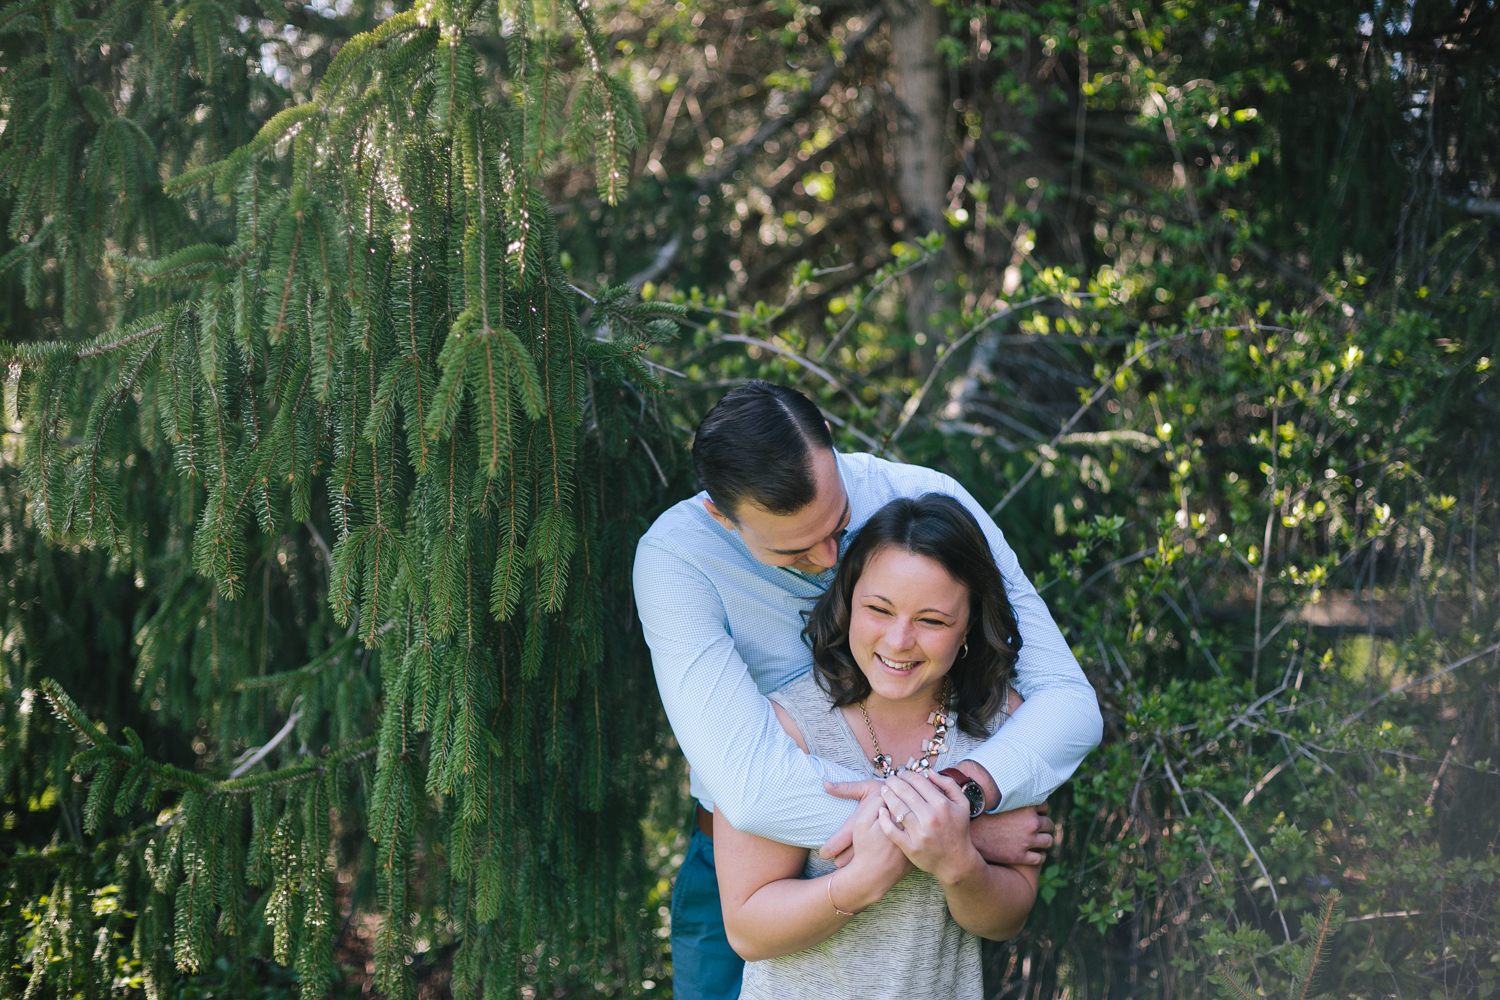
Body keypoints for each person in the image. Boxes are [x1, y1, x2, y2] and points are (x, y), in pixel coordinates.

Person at [632, 382, 1102, 999]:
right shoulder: (676, 558)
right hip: (757, 871)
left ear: (827, 437)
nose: (830, 559)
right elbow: (748, 789)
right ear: (722, 514)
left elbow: (1068, 704)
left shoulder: (923, 499)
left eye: (842, 526)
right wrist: (958, 835)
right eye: (796, 551)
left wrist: (961, 797)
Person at [716, 494, 1038, 999]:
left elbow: (1007, 920)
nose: (899, 640)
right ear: (847, 602)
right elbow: (747, 931)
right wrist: (860, 880)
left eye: (932, 620)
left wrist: (959, 861)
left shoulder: (1009, 728)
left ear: (970, 625)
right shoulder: (784, 726)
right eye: (878, 609)